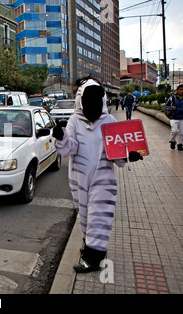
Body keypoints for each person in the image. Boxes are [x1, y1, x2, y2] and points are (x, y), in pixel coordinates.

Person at [52, 77, 143, 273]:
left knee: (99, 216)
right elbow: (71, 149)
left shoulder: (109, 121)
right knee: (85, 215)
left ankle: (94, 259)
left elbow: (116, 152)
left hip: (103, 179)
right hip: (79, 178)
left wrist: (128, 156)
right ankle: (90, 247)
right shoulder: (75, 121)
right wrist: (62, 137)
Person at [165, 84, 183, 150]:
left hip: (182, 118)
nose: (181, 91)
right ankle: (172, 141)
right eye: (180, 90)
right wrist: (171, 107)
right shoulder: (172, 98)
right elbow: (166, 106)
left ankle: (180, 144)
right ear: (177, 90)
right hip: (174, 118)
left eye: (182, 90)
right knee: (174, 131)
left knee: (182, 133)